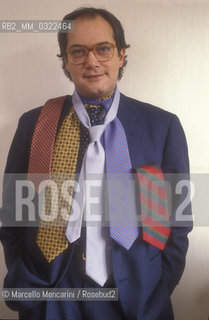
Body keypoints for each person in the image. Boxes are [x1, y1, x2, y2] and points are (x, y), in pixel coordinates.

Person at [0, 7, 192, 320]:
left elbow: (178, 219)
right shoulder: (35, 124)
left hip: (136, 297)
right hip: (52, 294)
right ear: (65, 60)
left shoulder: (162, 127)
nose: (92, 61)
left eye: (103, 49)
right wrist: (27, 275)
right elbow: (12, 213)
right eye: (78, 51)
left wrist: (157, 284)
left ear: (121, 54)